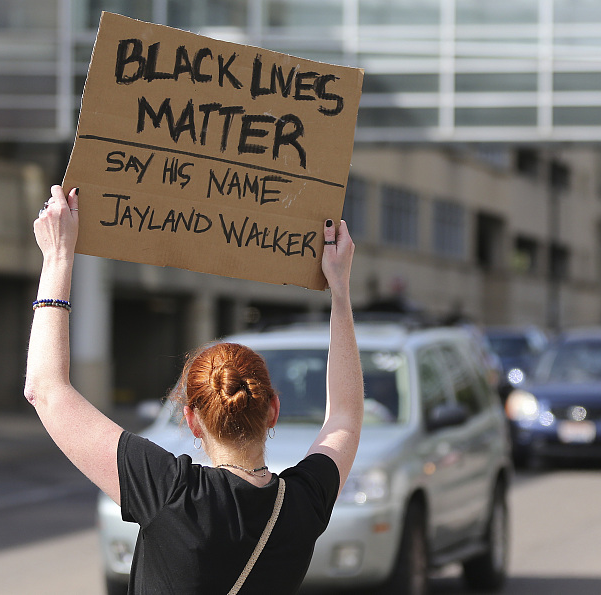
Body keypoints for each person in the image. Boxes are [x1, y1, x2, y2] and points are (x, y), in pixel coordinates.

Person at [24, 185, 363, 594]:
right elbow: (345, 416)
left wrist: (58, 255)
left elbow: (44, 389)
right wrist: (340, 291)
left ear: (192, 419)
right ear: (272, 409)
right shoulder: (301, 504)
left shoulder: (170, 494)